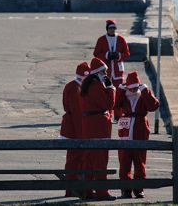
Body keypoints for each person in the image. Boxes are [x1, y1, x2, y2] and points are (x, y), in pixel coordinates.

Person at [114, 71, 159, 199]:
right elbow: (115, 105)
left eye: (135, 87)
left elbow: (153, 106)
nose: (133, 90)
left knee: (140, 162)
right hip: (125, 131)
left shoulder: (143, 95)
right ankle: (126, 189)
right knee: (124, 162)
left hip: (140, 130)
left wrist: (145, 91)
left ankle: (139, 189)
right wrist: (120, 90)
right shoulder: (124, 95)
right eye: (131, 87)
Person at [80, 57, 116, 201]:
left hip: (89, 126)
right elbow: (108, 104)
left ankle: (88, 191)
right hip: (99, 126)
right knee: (101, 160)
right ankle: (102, 192)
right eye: (104, 72)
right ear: (99, 72)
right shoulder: (96, 85)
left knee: (89, 160)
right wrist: (111, 88)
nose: (106, 74)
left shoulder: (86, 85)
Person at [59, 62, 90, 197]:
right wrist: (82, 135)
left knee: (73, 160)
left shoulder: (71, 86)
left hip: (71, 128)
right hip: (75, 130)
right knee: (75, 160)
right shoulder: (76, 88)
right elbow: (77, 114)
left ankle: (72, 188)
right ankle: (72, 189)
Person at [93, 20, 130, 121]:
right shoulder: (101, 40)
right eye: (110, 28)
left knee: (119, 92)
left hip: (118, 71)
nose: (112, 30)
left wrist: (118, 56)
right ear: (107, 29)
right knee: (107, 92)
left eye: (114, 28)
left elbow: (127, 53)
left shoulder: (121, 39)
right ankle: (108, 113)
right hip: (107, 71)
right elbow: (96, 53)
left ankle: (118, 115)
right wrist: (106, 55)